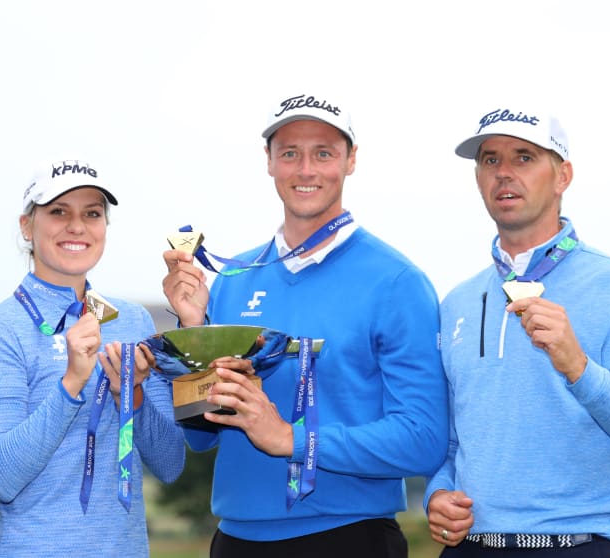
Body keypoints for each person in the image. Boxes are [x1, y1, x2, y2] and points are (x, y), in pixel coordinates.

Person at [161, 93, 449, 557]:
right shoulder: (234, 280)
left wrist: (291, 440)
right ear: (269, 162)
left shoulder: (397, 281)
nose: (306, 170)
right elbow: (200, 433)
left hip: (350, 538)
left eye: (324, 153)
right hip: (236, 540)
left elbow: (423, 440)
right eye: (290, 153)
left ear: (351, 160)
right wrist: (192, 329)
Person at [424, 108, 610, 557]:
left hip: (581, 544)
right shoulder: (458, 302)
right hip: (470, 546)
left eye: (524, 157)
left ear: (563, 175)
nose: (503, 173)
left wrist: (580, 368)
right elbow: (454, 441)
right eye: (489, 160)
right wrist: (437, 492)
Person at [0, 159, 186, 557]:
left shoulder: (132, 320)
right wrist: (71, 383)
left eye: (92, 213)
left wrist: (131, 396)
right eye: (58, 212)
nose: (77, 226)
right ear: (26, 226)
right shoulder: (0, 329)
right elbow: (0, 475)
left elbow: (170, 464)